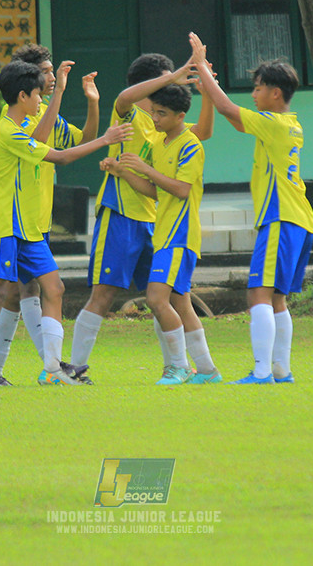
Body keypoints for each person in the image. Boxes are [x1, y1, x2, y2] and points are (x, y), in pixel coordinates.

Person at [0, 60, 132, 386]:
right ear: (23, 95)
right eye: (38, 94)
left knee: (54, 288)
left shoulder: (26, 123)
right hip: (6, 226)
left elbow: (64, 141)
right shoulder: (8, 131)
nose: (41, 99)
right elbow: (59, 156)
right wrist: (106, 139)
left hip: (29, 227)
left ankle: (53, 369)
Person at [69, 53, 215, 381]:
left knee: (170, 297)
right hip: (120, 214)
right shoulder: (130, 113)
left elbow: (202, 131)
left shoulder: (163, 124)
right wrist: (175, 74)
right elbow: (122, 97)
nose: (172, 84)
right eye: (164, 80)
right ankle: (75, 370)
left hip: (156, 221)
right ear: (147, 85)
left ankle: (188, 367)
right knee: (103, 294)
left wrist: (205, 91)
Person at [188, 32, 313, 384]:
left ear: (276, 93)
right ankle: (280, 370)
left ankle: (262, 372)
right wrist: (209, 87)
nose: (253, 94)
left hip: (281, 218)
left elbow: (230, 111)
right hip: (298, 219)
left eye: (257, 88)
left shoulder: (274, 124)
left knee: (258, 292)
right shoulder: (286, 124)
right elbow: (235, 118)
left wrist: (201, 66)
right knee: (277, 299)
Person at [102, 83, 221, 384]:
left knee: (156, 298)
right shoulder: (160, 143)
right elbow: (156, 191)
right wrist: (124, 172)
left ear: (180, 115)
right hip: (166, 234)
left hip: (179, 235)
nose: (154, 119)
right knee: (180, 302)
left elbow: (181, 190)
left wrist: (145, 167)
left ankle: (179, 366)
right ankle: (207, 371)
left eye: (162, 114)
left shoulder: (190, 145)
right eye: (153, 112)